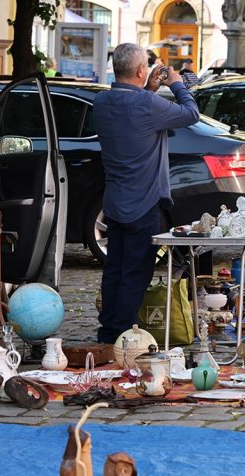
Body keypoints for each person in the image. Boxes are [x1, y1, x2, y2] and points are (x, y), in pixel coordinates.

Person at [94, 43, 199, 344]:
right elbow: (190, 113)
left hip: (114, 202)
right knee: (136, 274)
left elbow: (134, 117)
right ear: (141, 71)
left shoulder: (102, 102)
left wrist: (149, 89)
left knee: (114, 268)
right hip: (144, 203)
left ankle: (107, 331)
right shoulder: (146, 106)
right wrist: (177, 83)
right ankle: (121, 334)